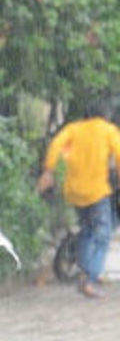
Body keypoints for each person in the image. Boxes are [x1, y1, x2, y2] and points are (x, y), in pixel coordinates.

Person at [37, 101, 120, 297]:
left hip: (73, 192)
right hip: (97, 192)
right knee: (103, 233)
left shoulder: (73, 129)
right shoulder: (108, 130)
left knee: (86, 230)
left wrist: (48, 170)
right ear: (104, 115)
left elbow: (56, 145)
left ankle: (85, 271)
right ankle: (89, 278)